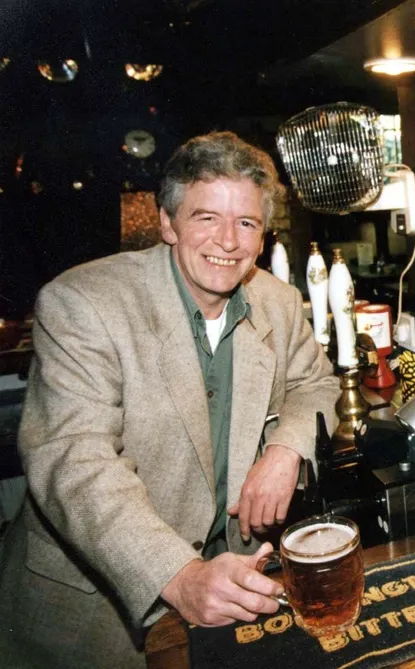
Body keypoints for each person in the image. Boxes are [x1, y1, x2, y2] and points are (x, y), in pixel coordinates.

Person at [0, 131, 341, 668]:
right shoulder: (83, 303)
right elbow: (74, 461)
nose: (228, 241)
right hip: (95, 613)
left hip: (229, 588)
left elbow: (316, 384)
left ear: (263, 234)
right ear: (167, 223)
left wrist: (285, 450)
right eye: (207, 217)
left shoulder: (278, 301)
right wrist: (176, 575)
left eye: (246, 223)